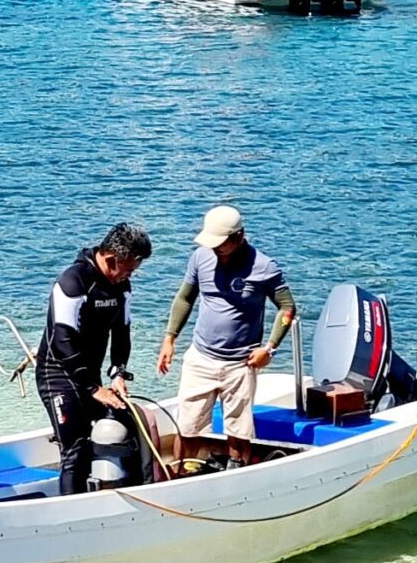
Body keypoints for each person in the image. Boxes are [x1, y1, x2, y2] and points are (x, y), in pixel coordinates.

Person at [156, 205, 296, 450]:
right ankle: (182, 473)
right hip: (200, 358)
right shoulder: (200, 257)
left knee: (238, 433)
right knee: (188, 428)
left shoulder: (264, 267)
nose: (216, 249)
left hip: (241, 364)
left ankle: (236, 472)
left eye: (221, 243)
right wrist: (170, 338)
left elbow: (287, 307)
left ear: (239, 237)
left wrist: (270, 349)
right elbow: (185, 298)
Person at [38, 222, 153, 494]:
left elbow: (122, 333)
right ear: (112, 259)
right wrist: (93, 388)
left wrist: (118, 373)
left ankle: (141, 492)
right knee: (75, 448)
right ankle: (70, 512)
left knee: (130, 426)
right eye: (128, 270)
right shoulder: (73, 281)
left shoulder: (121, 286)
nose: (129, 276)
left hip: (91, 376)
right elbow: (62, 340)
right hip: (58, 375)